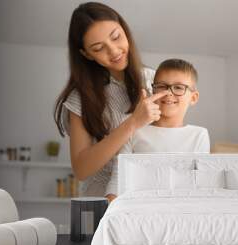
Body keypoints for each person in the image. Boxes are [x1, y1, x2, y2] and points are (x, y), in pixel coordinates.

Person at [54, 2, 168, 197]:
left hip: (149, 198)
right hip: (101, 204)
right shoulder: (81, 98)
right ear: (86, 54)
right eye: (99, 48)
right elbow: (81, 169)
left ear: (124, 29)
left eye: (116, 37)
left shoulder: (155, 80)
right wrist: (133, 123)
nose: (114, 51)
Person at [105, 58, 210, 201]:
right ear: (152, 91)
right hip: (138, 212)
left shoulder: (199, 135)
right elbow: (117, 183)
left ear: (193, 97)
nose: (169, 93)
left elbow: (201, 186)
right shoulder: (134, 131)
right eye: (162, 86)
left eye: (179, 87)